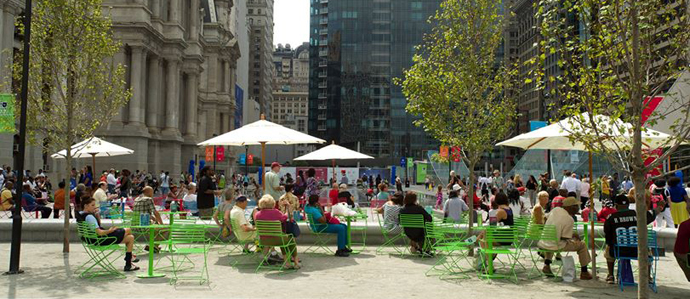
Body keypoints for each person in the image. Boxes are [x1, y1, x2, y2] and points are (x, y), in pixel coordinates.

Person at [603, 194, 662, 284]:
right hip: (638, 251)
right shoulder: (639, 214)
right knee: (647, 249)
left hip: (619, 251)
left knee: (608, 250)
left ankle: (611, 276)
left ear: (616, 206)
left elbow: (607, 234)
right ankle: (647, 276)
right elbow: (653, 213)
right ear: (628, 205)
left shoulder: (611, 217)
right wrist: (660, 206)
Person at [78, 197, 139, 271]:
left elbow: (96, 228)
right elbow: (99, 232)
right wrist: (110, 231)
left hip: (92, 239)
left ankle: (128, 264)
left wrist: (97, 215)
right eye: (92, 205)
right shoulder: (90, 217)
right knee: (128, 230)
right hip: (101, 239)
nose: (95, 207)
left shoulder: (81, 215)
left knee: (130, 238)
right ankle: (129, 258)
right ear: (85, 206)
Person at [539, 197, 592, 280]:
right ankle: (584, 271)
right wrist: (573, 236)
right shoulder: (569, 219)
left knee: (553, 239)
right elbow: (564, 237)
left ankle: (547, 265)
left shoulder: (556, 210)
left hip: (544, 242)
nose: (578, 208)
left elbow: (545, 217)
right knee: (582, 245)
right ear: (570, 207)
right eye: (576, 206)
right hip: (556, 245)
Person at [255, 195, 301, 269]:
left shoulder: (257, 214)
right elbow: (285, 217)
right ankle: (295, 262)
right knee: (289, 239)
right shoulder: (276, 212)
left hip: (264, 241)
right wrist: (287, 208)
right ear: (272, 204)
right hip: (278, 239)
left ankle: (287, 263)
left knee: (282, 238)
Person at [133, 186, 166, 252]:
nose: (153, 194)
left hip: (134, 226)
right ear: (148, 192)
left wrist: (154, 219)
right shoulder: (148, 199)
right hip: (144, 226)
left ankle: (151, 245)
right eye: (152, 192)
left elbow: (142, 212)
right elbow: (155, 212)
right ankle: (154, 246)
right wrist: (161, 224)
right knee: (165, 229)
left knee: (156, 226)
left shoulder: (137, 199)